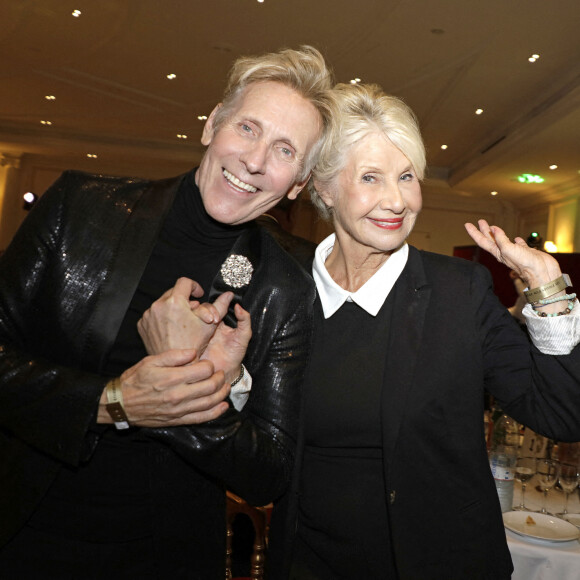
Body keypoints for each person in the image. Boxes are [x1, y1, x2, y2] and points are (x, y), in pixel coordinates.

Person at [0, 46, 333, 578]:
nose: (255, 160)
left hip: (163, 554)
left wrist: (193, 384)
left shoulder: (284, 285)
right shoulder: (79, 209)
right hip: (23, 530)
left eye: (285, 149)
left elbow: (268, 473)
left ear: (296, 183)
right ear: (210, 127)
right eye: (247, 128)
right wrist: (114, 402)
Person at [266, 83, 580, 580]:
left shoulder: (461, 291)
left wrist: (550, 291)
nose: (396, 200)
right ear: (322, 187)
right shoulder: (283, 291)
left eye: (407, 176)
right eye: (370, 177)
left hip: (441, 563)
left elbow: (564, 416)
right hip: (309, 562)